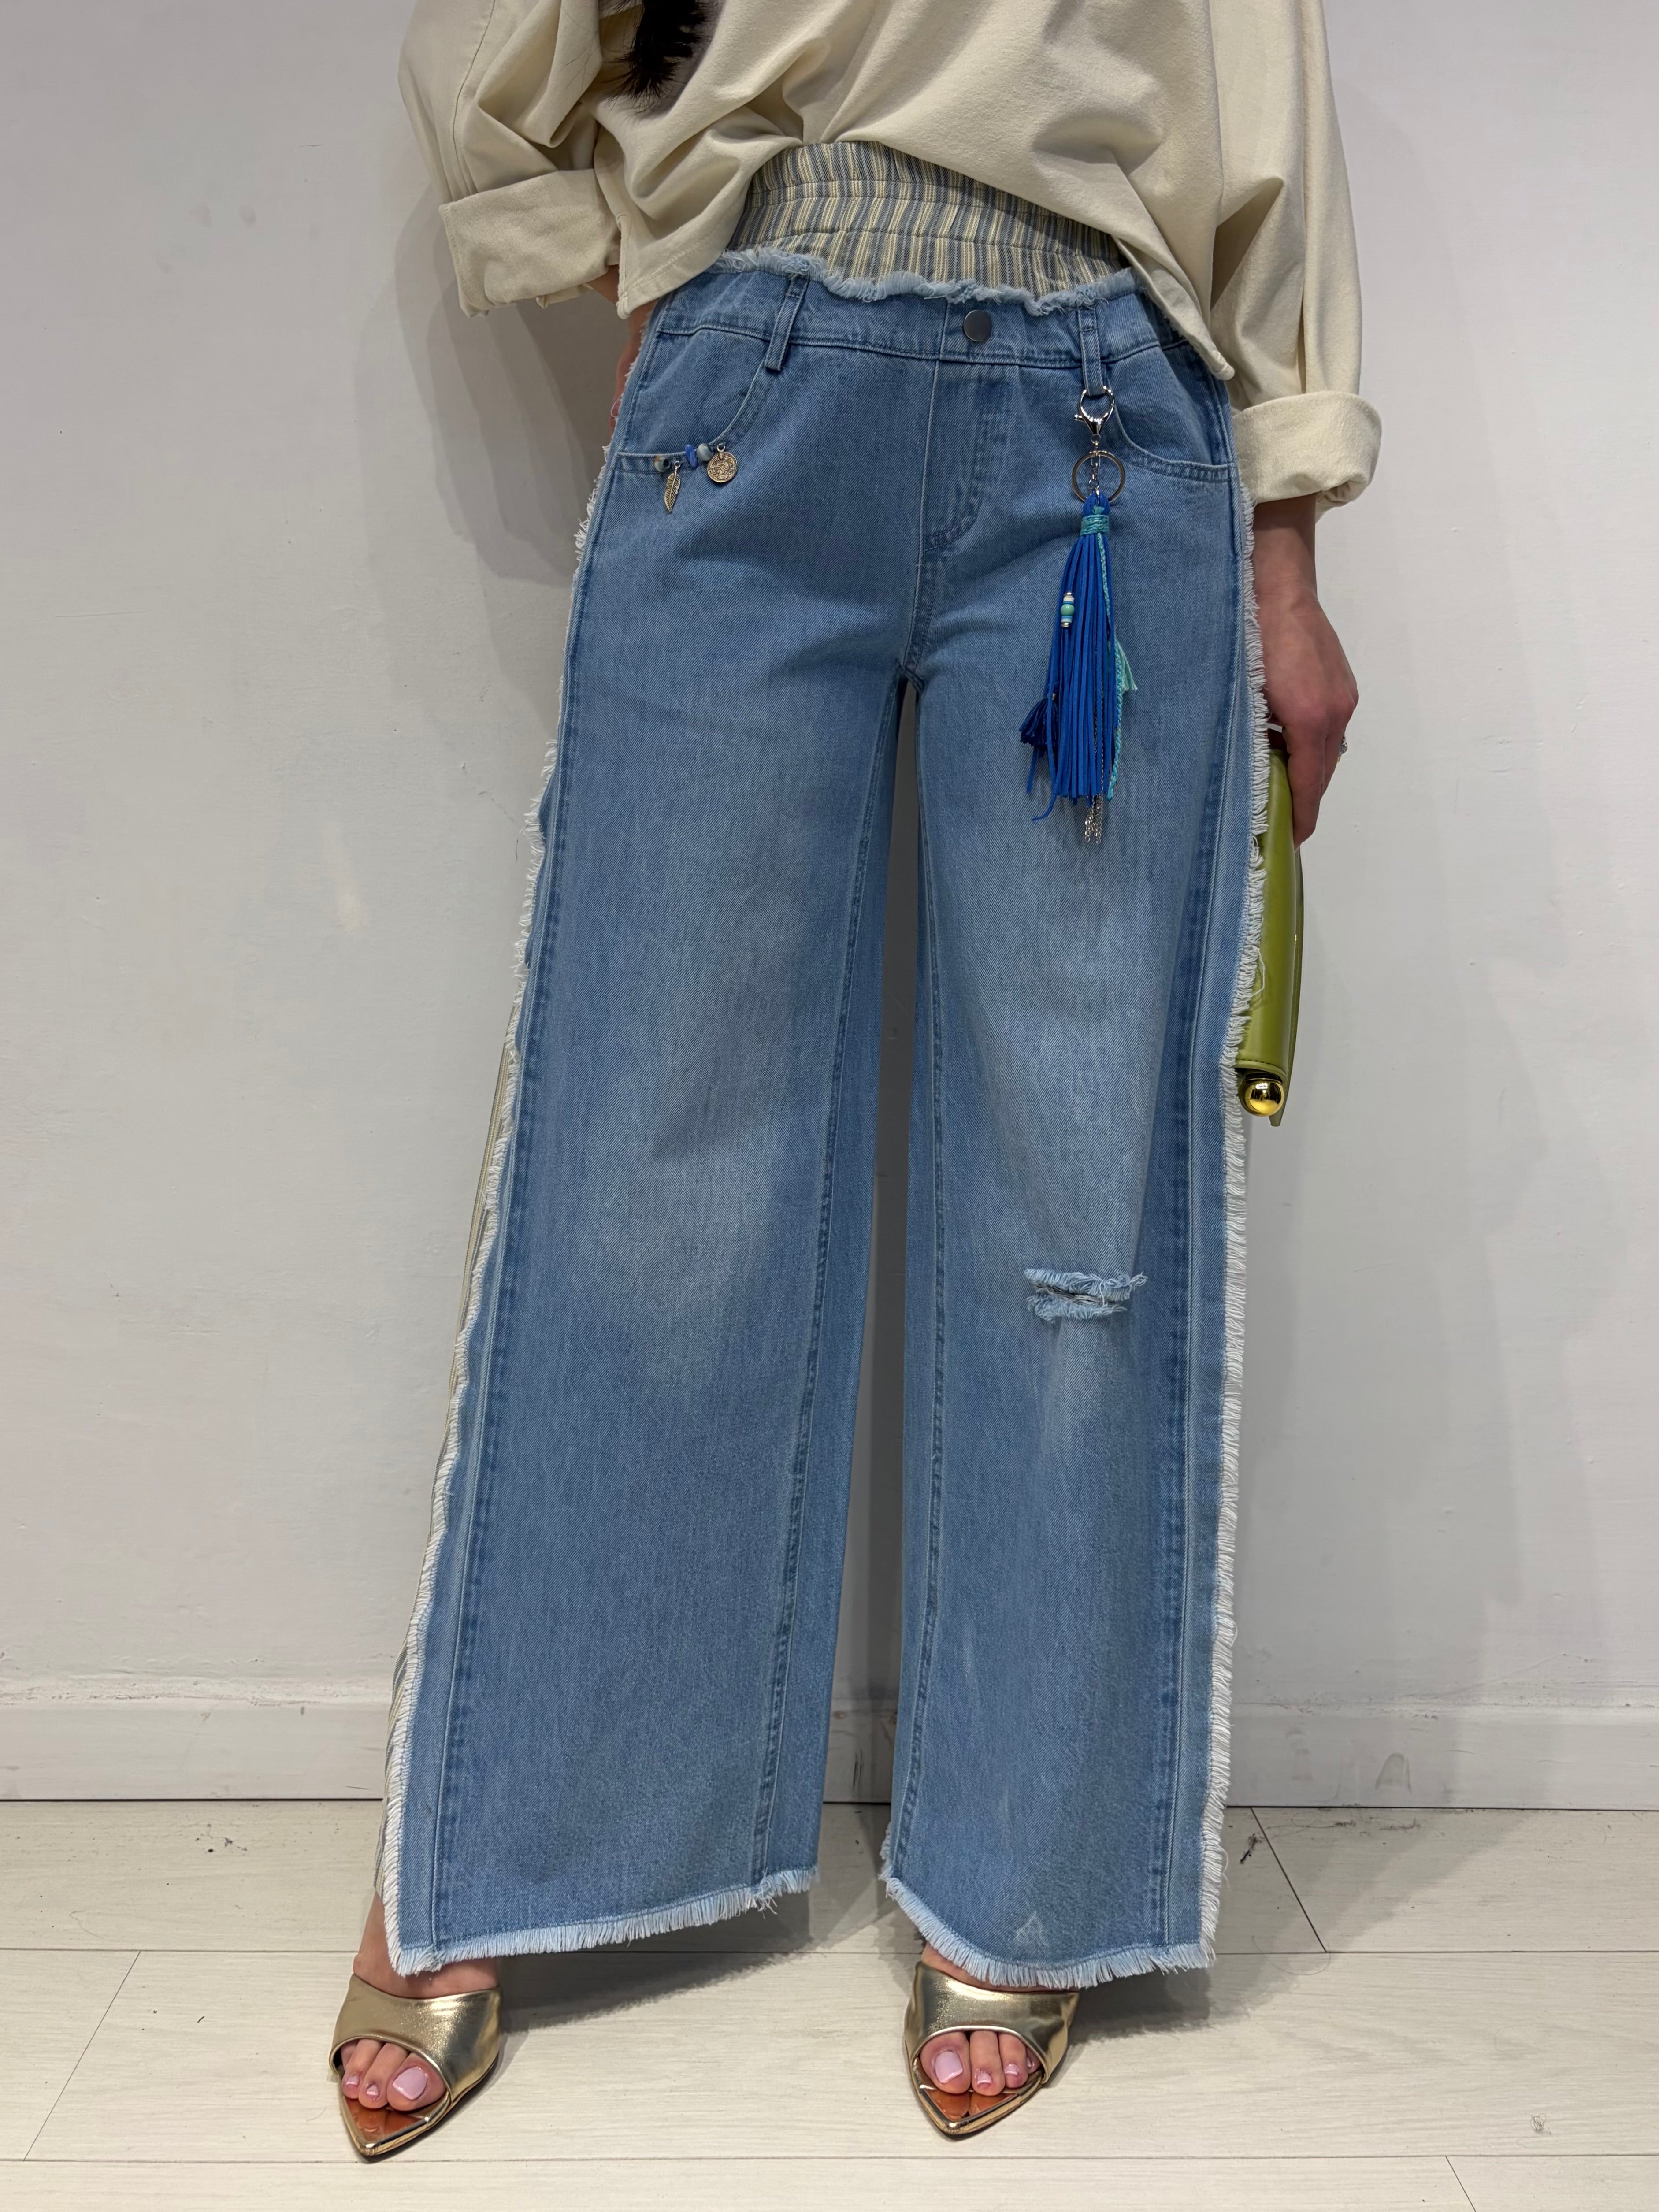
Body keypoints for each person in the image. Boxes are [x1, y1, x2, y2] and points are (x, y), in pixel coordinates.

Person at [329, 0, 1376, 2156]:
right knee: (648, 1149)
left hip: (1108, 430)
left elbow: (1261, 113)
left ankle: (1030, 1864)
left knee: (1071, 1181)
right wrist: (639, 266)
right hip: (757, 391)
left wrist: (1288, 555)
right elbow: (497, 51)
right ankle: (505, 1838)